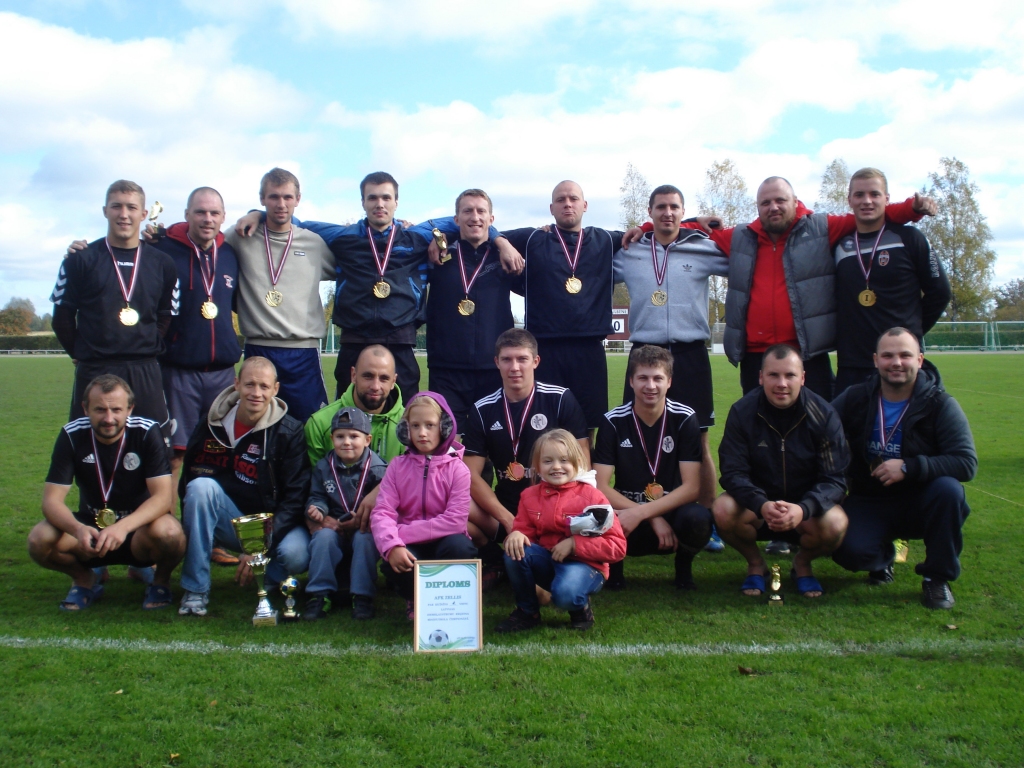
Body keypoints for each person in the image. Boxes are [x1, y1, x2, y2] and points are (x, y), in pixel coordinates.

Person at [235, 172, 521, 398]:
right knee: (347, 417)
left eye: (386, 197)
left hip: (400, 339)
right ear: (363, 202)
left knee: (404, 420)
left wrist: (499, 240)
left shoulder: (417, 236)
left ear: (396, 202)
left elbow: (467, 220)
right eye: (372, 198)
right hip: (354, 339)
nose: (379, 204)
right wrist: (257, 214)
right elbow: (288, 218)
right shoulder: (342, 237)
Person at [615, 184, 729, 548]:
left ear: (683, 212)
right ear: (649, 212)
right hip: (643, 353)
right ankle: (637, 512)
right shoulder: (629, 251)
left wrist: (704, 225)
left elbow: (742, 256)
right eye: (661, 207)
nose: (668, 212)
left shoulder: (702, 247)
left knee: (700, 438)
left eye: (674, 207)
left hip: (689, 353)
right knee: (635, 436)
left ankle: (707, 521)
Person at [831, 328, 976, 609]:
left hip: (921, 498)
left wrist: (910, 467)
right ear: (876, 360)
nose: (896, 362)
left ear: (919, 360)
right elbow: (820, 426)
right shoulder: (857, 397)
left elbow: (966, 463)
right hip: (871, 498)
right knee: (849, 552)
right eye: (888, 356)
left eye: (905, 355)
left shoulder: (940, 404)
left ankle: (937, 578)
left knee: (949, 491)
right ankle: (883, 556)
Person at [28, 375, 186, 611]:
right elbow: (51, 501)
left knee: (171, 533)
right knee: (39, 539)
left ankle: (160, 581)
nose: (109, 418)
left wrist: (122, 527)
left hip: (138, 531)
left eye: (116, 409)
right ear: (86, 409)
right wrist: (77, 529)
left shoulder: (146, 432)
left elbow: (162, 498)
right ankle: (84, 580)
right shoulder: (72, 435)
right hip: (89, 531)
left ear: (129, 409)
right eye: (100, 409)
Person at [177, 357, 310, 616]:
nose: (256, 393)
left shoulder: (289, 431)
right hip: (229, 520)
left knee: (296, 554)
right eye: (250, 384)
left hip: (273, 525)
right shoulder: (211, 423)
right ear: (236, 384)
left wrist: (261, 546)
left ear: (275, 389)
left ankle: (265, 579)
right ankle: (195, 589)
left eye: (264, 386)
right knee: (200, 488)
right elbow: (188, 479)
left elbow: (295, 498)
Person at [714, 344, 849, 598]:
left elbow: (835, 480)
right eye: (773, 375)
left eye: (790, 375)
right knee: (722, 509)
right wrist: (761, 504)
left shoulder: (824, 415)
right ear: (761, 377)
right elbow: (732, 472)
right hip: (758, 509)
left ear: (803, 378)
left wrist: (803, 508)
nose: (782, 384)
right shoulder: (742, 412)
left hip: (805, 511)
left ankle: (802, 564)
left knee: (836, 523)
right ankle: (756, 564)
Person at [51, 180, 179, 448]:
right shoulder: (80, 259)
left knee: (155, 454)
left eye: (131, 207)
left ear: (143, 214)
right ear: (105, 211)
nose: (124, 214)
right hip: (95, 370)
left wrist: (147, 342)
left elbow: (167, 314)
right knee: (90, 454)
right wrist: (83, 351)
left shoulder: (163, 263)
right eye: (116, 206)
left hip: (144, 370)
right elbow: (62, 318)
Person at [500, 181, 627, 432]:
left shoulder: (605, 239)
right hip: (546, 348)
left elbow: (655, 230)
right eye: (560, 200)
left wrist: (698, 221)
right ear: (551, 208)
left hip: (589, 348)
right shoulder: (533, 238)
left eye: (573, 198)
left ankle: (585, 461)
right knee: (544, 425)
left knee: (589, 426)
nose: (567, 204)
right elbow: (489, 232)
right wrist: (503, 243)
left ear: (585, 205)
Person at [594, 345, 714, 591]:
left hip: (671, 513)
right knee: (598, 515)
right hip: (627, 513)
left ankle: (683, 568)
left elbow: (692, 488)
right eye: (643, 378)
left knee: (698, 518)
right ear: (631, 381)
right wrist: (648, 515)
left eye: (658, 378)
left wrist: (646, 513)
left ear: (669, 382)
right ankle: (614, 570)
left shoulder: (685, 418)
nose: (650, 386)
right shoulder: (613, 421)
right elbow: (600, 486)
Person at [221, 167, 335, 424]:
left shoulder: (314, 243)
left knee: (311, 427)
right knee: (256, 426)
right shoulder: (241, 236)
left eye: (287, 197)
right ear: (262, 198)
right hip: (258, 348)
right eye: (273, 197)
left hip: (303, 353)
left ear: (298, 199)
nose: (281, 204)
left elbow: (348, 267)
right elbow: (205, 240)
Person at [462, 328, 590, 547]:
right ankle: (493, 553)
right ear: (497, 362)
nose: (514, 367)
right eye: (507, 359)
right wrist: (508, 520)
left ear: (536, 361)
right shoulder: (482, 409)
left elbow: (582, 462)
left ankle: (550, 535)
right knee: (458, 503)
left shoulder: (560, 399)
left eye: (522, 359)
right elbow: (470, 475)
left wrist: (559, 509)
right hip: (505, 510)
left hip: (553, 503)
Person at [833, 168, 951, 395]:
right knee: (847, 419)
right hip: (853, 363)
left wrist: (910, 333)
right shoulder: (839, 246)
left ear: (886, 199)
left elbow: (940, 293)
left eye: (874, 194)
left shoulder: (910, 238)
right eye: (859, 195)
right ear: (849, 200)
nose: (867, 201)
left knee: (906, 418)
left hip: (899, 361)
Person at [496, 429, 627, 633]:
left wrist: (575, 544)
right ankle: (527, 611)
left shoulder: (593, 497)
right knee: (515, 551)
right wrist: (517, 534)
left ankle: (579, 606)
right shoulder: (529, 496)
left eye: (564, 460)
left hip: (586, 566)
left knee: (565, 595)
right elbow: (524, 532)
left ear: (577, 462)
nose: (556, 467)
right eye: (548, 461)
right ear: (537, 466)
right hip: (549, 560)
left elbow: (617, 547)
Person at [370, 392, 476, 620]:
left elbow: (456, 521)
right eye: (415, 426)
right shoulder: (396, 467)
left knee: (461, 548)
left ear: (444, 428)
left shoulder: (458, 469)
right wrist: (392, 545)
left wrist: (402, 532)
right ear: (405, 429)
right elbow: (382, 512)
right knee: (394, 558)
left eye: (430, 425)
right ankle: (414, 598)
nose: (422, 433)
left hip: (444, 541)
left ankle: (450, 602)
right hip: (409, 545)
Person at [426, 189, 514, 433]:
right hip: (446, 370)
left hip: (492, 369)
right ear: (456, 219)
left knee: (493, 443)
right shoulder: (438, 253)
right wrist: (440, 235)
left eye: (481, 211)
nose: (475, 217)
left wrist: (502, 241)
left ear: (491, 219)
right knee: (446, 442)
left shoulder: (504, 255)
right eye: (467, 211)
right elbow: (418, 230)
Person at [303, 407, 387, 620]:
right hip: (334, 527)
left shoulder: (378, 469)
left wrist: (364, 520)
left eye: (354, 436)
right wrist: (317, 510)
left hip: (363, 527)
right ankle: (319, 593)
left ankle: (362, 596)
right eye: (340, 436)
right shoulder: (323, 467)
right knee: (323, 537)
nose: (346, 442)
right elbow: (317, 495)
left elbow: (385, 506)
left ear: (367, 440)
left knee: (365, 539)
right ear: (332, 439)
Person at [305, 344, 405, 465]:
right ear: (353, 375)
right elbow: (316, 475)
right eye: (368, 376)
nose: (375, 386)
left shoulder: (408, 425)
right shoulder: (320, 424)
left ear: (393, 381)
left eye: (384, 378)